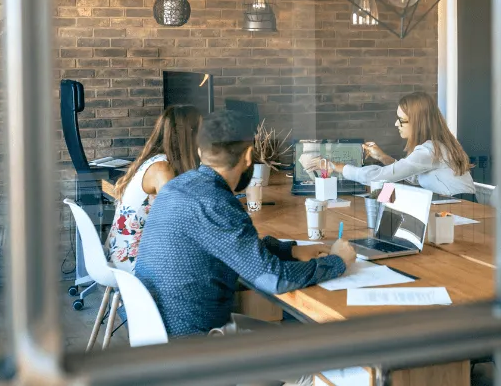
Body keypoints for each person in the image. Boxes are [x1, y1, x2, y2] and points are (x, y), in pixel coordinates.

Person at [135, 110, 355, 338]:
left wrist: (289, 250)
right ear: (249, 155)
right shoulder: (215, 202)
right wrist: (337, 261)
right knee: (313, 359)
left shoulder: (178, 186)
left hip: (158, 328)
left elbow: (233, 244)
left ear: (201, 151)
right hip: (195, 341)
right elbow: (274, 279)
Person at [308, 92, 475, 198]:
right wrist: (383, 157)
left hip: (462, 210)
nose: (396, 124)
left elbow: (381, 176)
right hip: (456, 207)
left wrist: (336, 166)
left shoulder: (429, 151)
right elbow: (413, 177)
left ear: (418, 122)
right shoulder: (436, 147)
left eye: (401, 120)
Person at [106, 105, 202, 272]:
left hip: (124, 255)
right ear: (190, 135)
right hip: (134, 262)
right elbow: (178, 220)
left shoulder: (155, 161)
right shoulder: (161, 169)